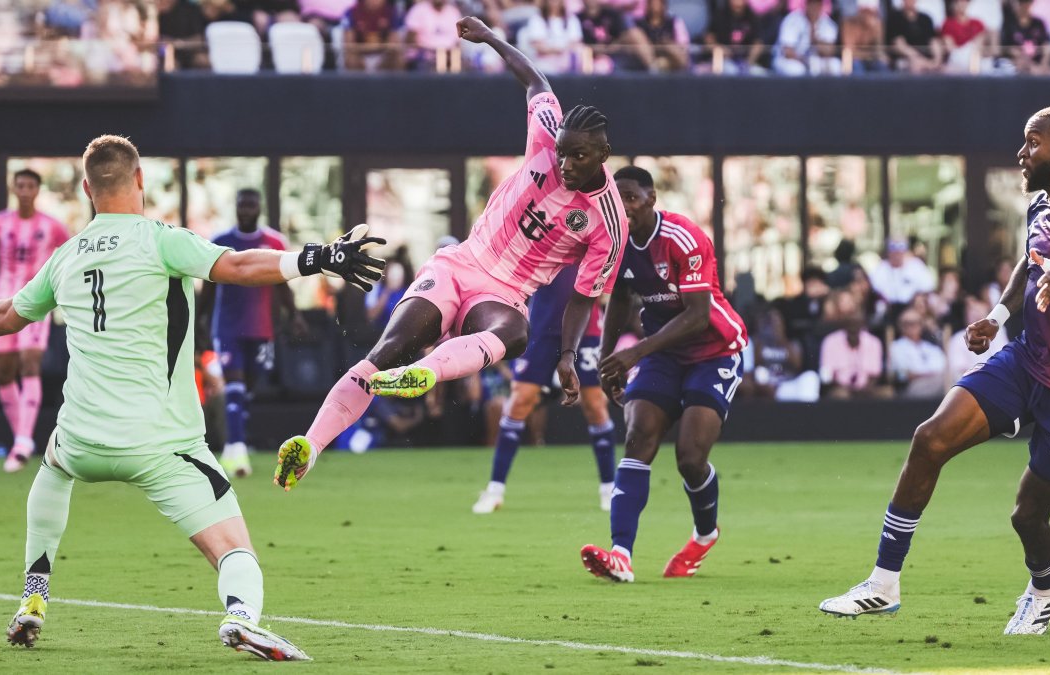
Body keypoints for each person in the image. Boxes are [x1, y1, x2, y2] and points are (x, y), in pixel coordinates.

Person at [0, 134, 385, 659]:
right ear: (139, 180)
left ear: (88, 190)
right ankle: (241, 618)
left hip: (81, 438)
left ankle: (33, 597)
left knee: (53, 466)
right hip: (159, 444)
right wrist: (318, 258)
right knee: (235, 547)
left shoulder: (65, 256)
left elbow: (7, 316)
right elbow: (236, 267)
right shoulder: (161, 239)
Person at [273, 15, 628, 495]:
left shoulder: (609, 221)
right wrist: (490, 38)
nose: (565, 165)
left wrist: (567, 355)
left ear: (604, 153)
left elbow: (585, 296)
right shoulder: (547, 133)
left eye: (579, 157)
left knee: (516, 332)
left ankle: (425, 373)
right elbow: (535, 80)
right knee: (384, 354)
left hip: (505, 291)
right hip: (460, 262)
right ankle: (310, 448)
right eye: (562, 153)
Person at [819, 105, 1050, 636]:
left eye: (1033, 142)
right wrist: (998, 315)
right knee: (931, 438)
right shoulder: (1042, 207)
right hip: (1027, 360)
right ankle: (883, 583)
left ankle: (1046, 588)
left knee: (1027, 516)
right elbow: (1029, 268)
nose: (1022, 153)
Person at [579, 165, 747, 583]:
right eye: (618, 200)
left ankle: (704, 535)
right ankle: (621, 554)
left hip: (714, 350)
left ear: (652, 198)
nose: (625, 207)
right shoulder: (614, 242)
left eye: (632, 198)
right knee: (638, 437)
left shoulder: (684, 238)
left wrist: (632, 353)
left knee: (690, 458)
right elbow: (618, 299)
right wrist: (607, 359)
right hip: (662, 353)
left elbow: (697, 316)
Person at [471, 266, 616, 514]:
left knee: (595, 405)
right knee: (520, 401)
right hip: (543, 325)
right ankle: (495, 490)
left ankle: (609, 489)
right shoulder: (546, 233)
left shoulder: (595, 233)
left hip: (587, 327)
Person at [197, 189, 305, 479]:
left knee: (247, 389)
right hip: (228, 325)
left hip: (261, 327)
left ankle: (234, 445)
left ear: (259, 208)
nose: (246, 209)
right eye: (242, 204)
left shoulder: (273, 242)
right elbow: (208, 285)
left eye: (251, 205)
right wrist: (198, 320)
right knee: (233, 386)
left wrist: (293, 314)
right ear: (236, 208)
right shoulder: (221, 242)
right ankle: (237, 448)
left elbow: (283, 282)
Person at [0, 169, 71, 473]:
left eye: (30, 186)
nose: (25, 190)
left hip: (36, 301)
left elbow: (72, 255)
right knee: (4, 371)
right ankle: (22, 438)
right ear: (14, 189)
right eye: (21, 186)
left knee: (30, 362)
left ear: (37, 190)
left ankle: (21, 443)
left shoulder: (52, 226)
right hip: (3, 301)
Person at [773, 0, 840, 75]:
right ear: (806, 5)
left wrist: (815, 39)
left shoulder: (828, 23)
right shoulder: (792, 19)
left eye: (817, 4)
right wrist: (806, 61)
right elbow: (788, 52)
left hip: (814, 61)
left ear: (821, 6)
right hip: (790, 60)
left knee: (835, 65)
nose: (814, 7)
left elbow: (829, 51)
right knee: (796, 69)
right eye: (811, 4)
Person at [886, 0, 945, 72]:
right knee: (916, 66)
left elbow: (933, 41)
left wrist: (936, 61)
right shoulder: (895, 17)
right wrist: (917, 58)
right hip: (905, 58)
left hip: (928, 58)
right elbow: (898, 44)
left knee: (949, 69)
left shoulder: (926, 18)